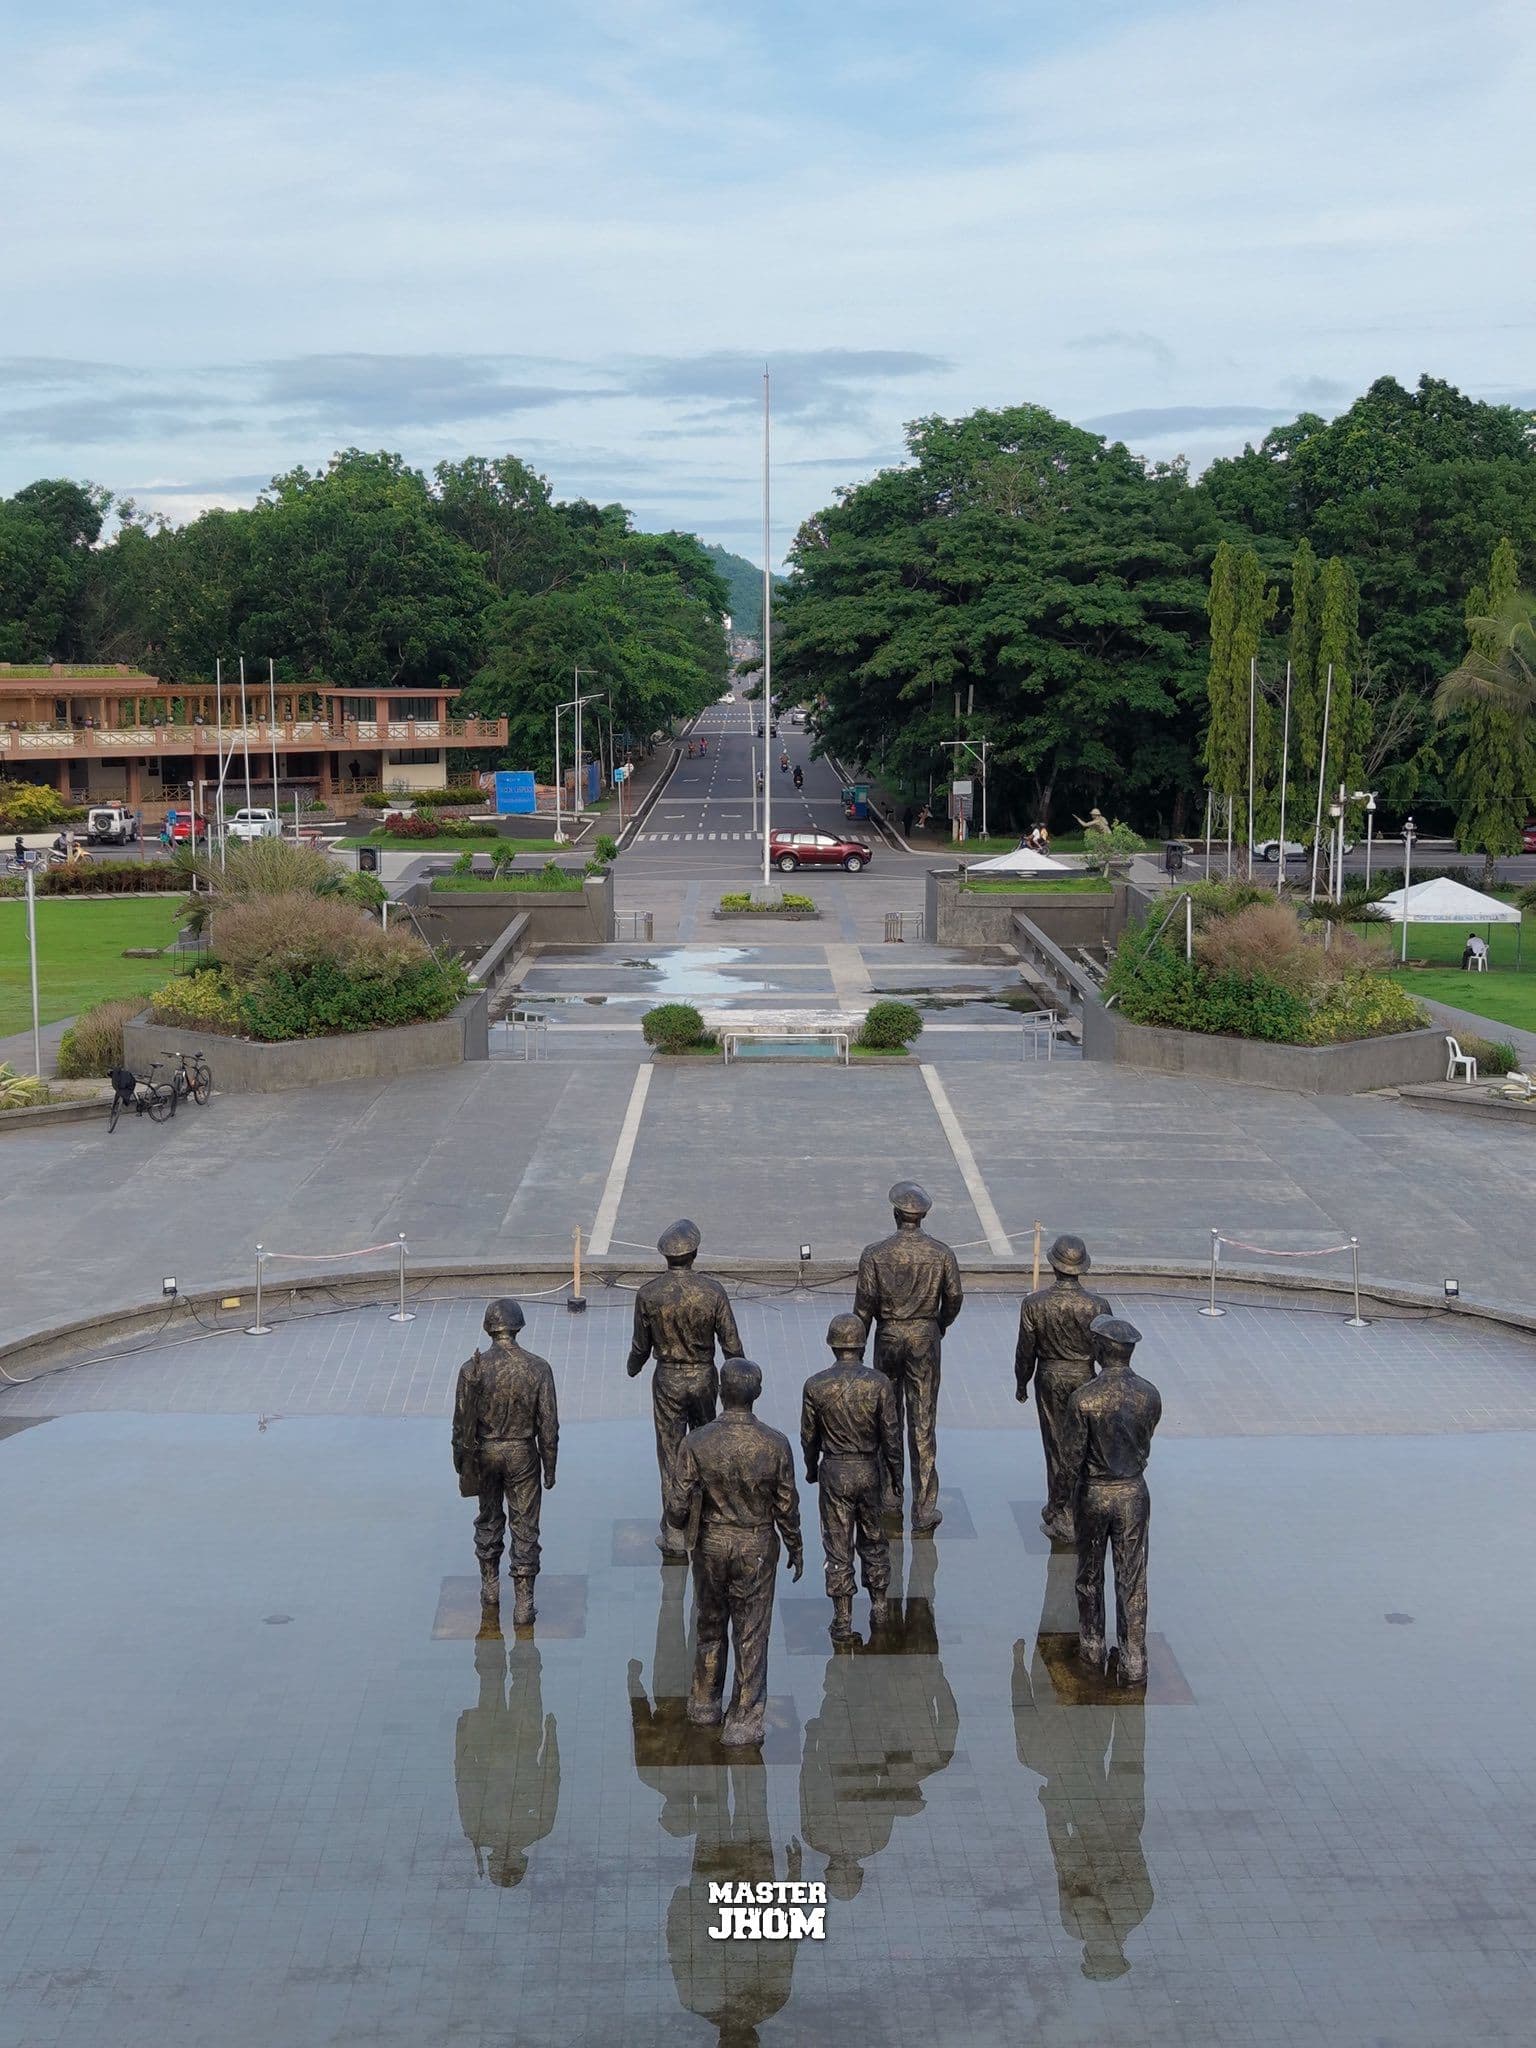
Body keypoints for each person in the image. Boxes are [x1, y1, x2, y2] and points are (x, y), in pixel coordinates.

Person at [664, 1359, 803, 1746]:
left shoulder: (696, 1442)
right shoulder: (775, 1443)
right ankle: (743, 1719)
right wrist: (796, 1545)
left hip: (710, 1544)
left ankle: (705, 1702)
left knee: (709, 1624)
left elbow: (676, 1508)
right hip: (756, 1544)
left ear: (722, 1392)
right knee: (751, 1632)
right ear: (756, 1393)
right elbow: (786, 1505)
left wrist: (684, 1523)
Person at [627, 1219, 745, 1558]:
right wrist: (738, 1383)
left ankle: (674, 1529)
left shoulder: (649, 1293)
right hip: (705, 1377)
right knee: (706, 1449)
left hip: (668, 1379)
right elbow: (733, 1347)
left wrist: (632, 1368)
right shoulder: (712, 1291)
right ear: (694, 1254)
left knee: (671, 1454)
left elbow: (640, 1347)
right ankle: (706, 1519)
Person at [854, 1182, 963, 1532]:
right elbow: (955, 1298)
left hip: (888, 1336)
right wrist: (938, 1325)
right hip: (924, 1339)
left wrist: (856, 1351)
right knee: (923, 1421)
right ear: (924, 1215)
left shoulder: (874, 1254)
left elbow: (863, 1309)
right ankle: (924, 1507)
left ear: (896, 1214)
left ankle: (890, 1494)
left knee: (887, 1418)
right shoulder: (941, 1253)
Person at [1062, 1316, 1162, 1687]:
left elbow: (1070, 1458)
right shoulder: (1149, 1394)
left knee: (1089, 1574)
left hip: (1094, 1492)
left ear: (1101, 1349)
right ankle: (1134, 1658)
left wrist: (1062, 1500)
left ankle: (1091, 1644)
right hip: (1133, 1492)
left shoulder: (1084, 1398)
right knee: (1132, 1577)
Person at [452, 1298, 559, 1626]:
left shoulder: (472, 1369)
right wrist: (550, 1467)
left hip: (485, 1453)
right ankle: (524, 1603)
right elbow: (549, 1425)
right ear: (518, 1326)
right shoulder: (538, 1367)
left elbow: (460, 1423)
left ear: (489, 1328)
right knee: (525, 1525)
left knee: (488, 1517)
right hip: (522, 1454)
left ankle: (490, 1587)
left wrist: (461, 1464)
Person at [801, 1312, 901, 1640]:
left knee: (837, 1543)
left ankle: (842, 1618)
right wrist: (896, 1475)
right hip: (869, 1469)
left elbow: (808, 1436)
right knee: (874, 1539)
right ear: (861, 1345)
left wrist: (810, 1467)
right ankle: (880, 1602)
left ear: (832, 1346)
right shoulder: (879, 1383)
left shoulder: (816, 1385)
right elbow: (891, 1434)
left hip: (834, 1470)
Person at [1016, 1235, 1112, 1545]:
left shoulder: (1034, 1303)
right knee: (1085, 1447)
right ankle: (1079, 1511)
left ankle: (1062, 1515)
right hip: (1085, 1376)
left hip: (1050, 1377)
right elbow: (1107, 1351)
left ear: (1054, 1265)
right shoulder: (1097, 1305)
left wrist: (1021, 1382)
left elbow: (1025, 1350)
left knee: (1057, 1446)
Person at [455, 1624, 560, 1888]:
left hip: (499, 1743)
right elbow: (550, 1779)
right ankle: (516, 1630)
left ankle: (504, 1629)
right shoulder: (535, 1828)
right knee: (519, 1678)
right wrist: (552, 1737)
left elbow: (464, 1780)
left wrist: (461, 1740)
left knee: (500, 1678)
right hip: (517, 1742)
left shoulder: (479, 1830)